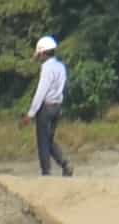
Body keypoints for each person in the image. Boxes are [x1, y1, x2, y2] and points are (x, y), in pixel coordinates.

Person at [32, 34, 75, 175]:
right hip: (57, 107)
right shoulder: (61, 67)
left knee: (43, 141)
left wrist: (31, 113)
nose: (39, 58)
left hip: (46, 107)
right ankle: (65, 164)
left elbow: (41, 91)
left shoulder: (46, 68)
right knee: (49, 139)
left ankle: (46, 172)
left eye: (39, 54)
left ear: (44, 53)